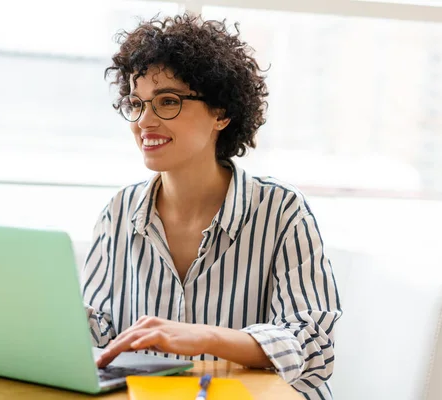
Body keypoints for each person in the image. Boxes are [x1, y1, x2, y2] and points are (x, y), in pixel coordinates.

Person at [81, 14, 342, 399]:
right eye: (136, 104)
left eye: (167, 101)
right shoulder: (118, 211)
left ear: (221, 113)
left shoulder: (280, 210)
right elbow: (100, 332)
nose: (144, 121)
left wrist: (204, 337)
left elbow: (313, 345)